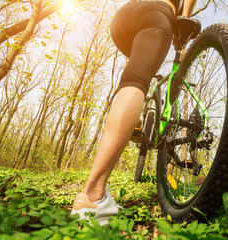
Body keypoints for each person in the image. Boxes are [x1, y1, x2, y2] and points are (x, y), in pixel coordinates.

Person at [71, 0, 197, 226]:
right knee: (138, 82)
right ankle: (92, 194)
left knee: (133, 74)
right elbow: (185, 12)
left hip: (123, 18)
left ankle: (135, 117)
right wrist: (182, 29)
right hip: (157, 14)